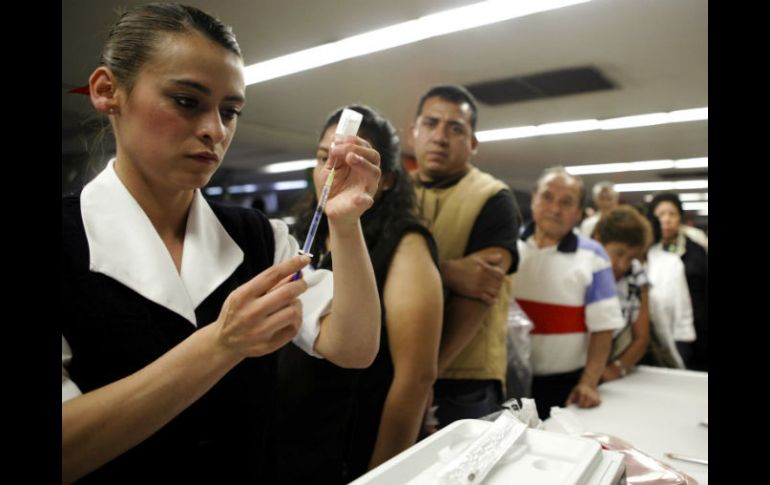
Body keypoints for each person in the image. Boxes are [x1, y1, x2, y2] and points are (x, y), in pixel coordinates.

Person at [61, 4, 382, 483]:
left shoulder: (257, 236)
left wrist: (345, 223)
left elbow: (353, 348)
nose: (216, 130)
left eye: (230, 111)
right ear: (108, 92)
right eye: (187, 101)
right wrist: (222, 343)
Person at [273, 105, 443, 483]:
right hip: (299, 443)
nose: (332, 169)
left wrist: (383, 474)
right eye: (323, 157)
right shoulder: (303, 235)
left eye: (353, 158)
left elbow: (416, 377)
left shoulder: (404, 245)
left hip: (356, 440)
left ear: (385, 180)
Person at [408, 85, 521, 427]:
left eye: (455, 128)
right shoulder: (394, 190)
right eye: (431, 124)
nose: (440, 137)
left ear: (472, 144)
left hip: (463, 377)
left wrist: (426, 376)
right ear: (414, 132)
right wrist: (446, 272)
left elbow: (480, 290)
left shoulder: (493, 197)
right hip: (397, 365)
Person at [510, 167, 624, 419]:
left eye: (566, 202)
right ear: (533, 199)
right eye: (547, 197)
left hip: (562, 386)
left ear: (578, 213)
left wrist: (589, 382)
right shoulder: (508, 246)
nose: (554, 208)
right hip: (504, 381)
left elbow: (603, 327)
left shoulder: (594, 256)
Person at [591, 205, 653, 382]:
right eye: (619, 253)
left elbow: (641, 338)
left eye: (631, 258)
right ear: (598, 241)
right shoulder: (581, 270)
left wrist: (615, 368)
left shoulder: (637, 276)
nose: (623, 265)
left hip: (612, 363)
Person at [648, 192, 708, 371]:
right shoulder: (646, 253)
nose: (666, 219)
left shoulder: (696, 250)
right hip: (661, 327)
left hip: (698, 327)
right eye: (661, 215)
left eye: (672, 214)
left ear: (680, 218)